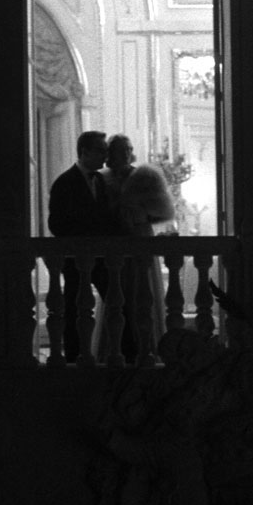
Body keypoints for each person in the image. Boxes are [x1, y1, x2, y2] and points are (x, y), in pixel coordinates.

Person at [94, 133, 175, 363]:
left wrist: (138, 216)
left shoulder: (144, 176)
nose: (126, 154)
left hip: (139, 238)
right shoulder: (101, 178)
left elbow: (164, 211)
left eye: (128, 149)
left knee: (143, 293)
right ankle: (115, 349)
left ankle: (147, 346)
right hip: (114, 242)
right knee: (117, 294)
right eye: (120, 150)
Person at [47, 130, 119, 362]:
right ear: (84, 151)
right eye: (101, 150)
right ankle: (73, 357)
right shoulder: (64, 182)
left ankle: (117, 354)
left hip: (103, 258)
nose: (105, 156)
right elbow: (56, 224)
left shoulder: (101, 180)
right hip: (77, 259)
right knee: (74, 309)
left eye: (106, 151)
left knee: (118, 304)